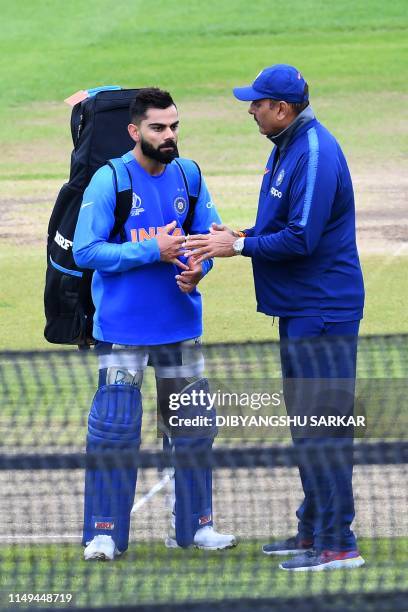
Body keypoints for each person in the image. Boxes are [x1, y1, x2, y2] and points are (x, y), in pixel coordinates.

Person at [184, 65, 365, 571]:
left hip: (323, 309)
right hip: (300, 308)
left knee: (323, 427)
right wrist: (233, 235)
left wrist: (238, 245)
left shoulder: (312, 151)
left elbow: (302, 238)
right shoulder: (286, 146)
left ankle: (337, 544)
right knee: (307, 426)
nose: (251, 109)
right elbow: (281, 227)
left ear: (282, 109)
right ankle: (314, 530)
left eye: (258, 103)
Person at [73, 87, 236, 561]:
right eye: (158, 128)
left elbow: (209, 237)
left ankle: (195, 527)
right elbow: (86, 251)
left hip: (180, 327)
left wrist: (198, 268)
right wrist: (153, 250)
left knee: (193, 428)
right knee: (116, 429)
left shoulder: (189, 175)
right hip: (124, 331)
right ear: (134, 131)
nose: (169, 136)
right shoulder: (110, 182)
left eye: (174, 126)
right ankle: (103, 533)